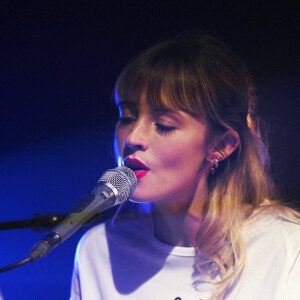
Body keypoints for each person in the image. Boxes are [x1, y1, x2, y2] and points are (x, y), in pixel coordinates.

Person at [70, 34, 300, 300]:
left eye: (164, 125)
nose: (133, 138)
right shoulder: (99, 251)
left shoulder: (285, 246)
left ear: (221, 145)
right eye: (127, 117)